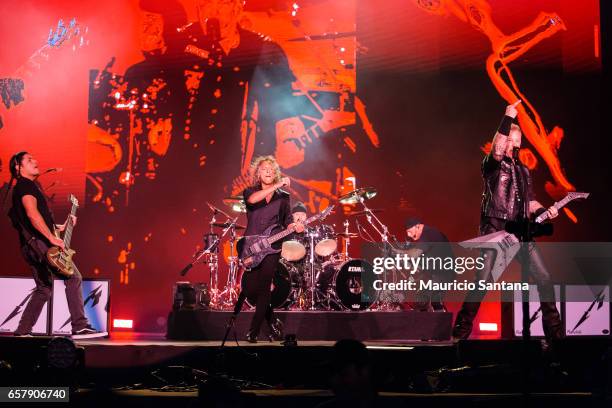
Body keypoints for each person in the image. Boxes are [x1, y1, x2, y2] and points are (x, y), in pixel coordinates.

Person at [452, 101, 563, 342]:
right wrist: (507, 118)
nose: (516, 140)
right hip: (495, 228)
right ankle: (460, 333)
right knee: (482, 281)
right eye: (512, 136)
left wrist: (546, 209)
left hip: (520, 230)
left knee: (544, 278)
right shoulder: (492, 165)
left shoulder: (523, 170)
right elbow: (497, 150)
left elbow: (530, 201)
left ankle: (556, 336)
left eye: (517, 136)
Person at [6, 152, 104, 338]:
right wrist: (51, 238)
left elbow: (35, 219)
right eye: (29, 160)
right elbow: (32, 214)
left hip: (30, 246)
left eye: (34, 158)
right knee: (73, 277)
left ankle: (23, 330)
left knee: (44, 289)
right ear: (18, 168)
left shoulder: (25, 186)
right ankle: (79, 326)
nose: (35, 161)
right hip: (40, 244)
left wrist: (60, 227)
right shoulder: (26, 185)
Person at [240, 156, 304, 342]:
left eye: (271, 169)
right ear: (258, 173)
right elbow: (253, 200)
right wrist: (278, 185)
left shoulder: (284, 197)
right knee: (250, 289)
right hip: (252, 246)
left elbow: (287, 221)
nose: (268, 171)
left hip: (272, 248)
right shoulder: (250, 191)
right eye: (264, 168)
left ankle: (253, 331)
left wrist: (295, 226)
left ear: (275, 173)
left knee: (264, 286)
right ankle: (274, 321)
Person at [404, 217, 453, 312]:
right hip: (440, 272)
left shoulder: (428, 233)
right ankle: (437, 321)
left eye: (410, 232)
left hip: (442, 273)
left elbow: (416, 254)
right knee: (430, 301)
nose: (409, 235)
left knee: (424, 300)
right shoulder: (427, 234)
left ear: (417, 226)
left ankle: (436, 322)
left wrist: (400, 253)